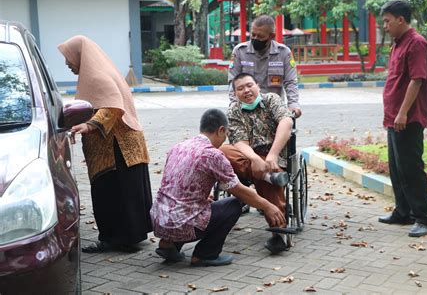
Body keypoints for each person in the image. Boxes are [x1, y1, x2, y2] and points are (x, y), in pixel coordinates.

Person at [150, 109, 285, 266]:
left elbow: (175, 185)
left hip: (159, 220)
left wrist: (201, 197)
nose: (224, 140)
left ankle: (168, 245)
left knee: (195, 207)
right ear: (221, 130)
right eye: (225, 134)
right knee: (234, 204)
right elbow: (239, 190)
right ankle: (205, 254)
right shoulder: (213, 155)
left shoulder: (178, 147)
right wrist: (267, 206)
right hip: (182, 223)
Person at [59, 35, 153, 252]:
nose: (67, 64)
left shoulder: (97, 77)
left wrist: (89, 125)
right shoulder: (97, 73)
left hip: (116, 148)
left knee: (111, 191)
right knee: (123, 192)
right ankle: (129, 237)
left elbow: (112, 108)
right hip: (120, 145)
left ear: (81, 56)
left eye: (69, 59)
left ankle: (114, 239)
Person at [378, 0, 427, 237]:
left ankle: (423, 218)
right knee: (397, 168)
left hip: (407, 118)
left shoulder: (416, 43)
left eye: (387, 21)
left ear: (401, 19)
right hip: (394, 117)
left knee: (411, 168)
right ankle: (403, 212)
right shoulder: (398, 44)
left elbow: (417, 79)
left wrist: (403, 112)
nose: (385, 26)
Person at [221, 73, 293, 254]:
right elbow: (239, 142)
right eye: (240, 88)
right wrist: (254, 159)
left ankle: (278, 233)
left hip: (274, 159)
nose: (246, 90)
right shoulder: (234, 110)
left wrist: (272, 155)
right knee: (223, 151)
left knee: (267, 178)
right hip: (248, 159)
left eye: (249, 85)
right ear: (235, 93)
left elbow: (286, 122)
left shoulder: (271, 100)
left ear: (257, 86)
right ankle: (268, 177)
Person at [228, 15, 302, 118]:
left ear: (271, 36)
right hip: (247, 110)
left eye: (260, 36)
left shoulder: (284, 53)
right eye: (253, 35)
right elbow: (232, 82)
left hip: (274, 111)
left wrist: (293, 104)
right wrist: (234, 105)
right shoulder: (240, 51)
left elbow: (290, 82)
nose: (255, 38)